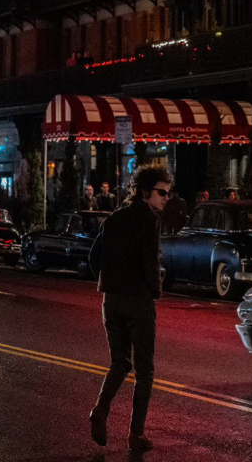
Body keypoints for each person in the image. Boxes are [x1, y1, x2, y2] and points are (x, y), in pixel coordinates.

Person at [87, 164, 172, 453]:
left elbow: (93, 257)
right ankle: (136, 435)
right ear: (146, 192)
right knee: (145, 370)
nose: (166, 199)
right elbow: (150, 262)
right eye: (162, 193)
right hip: (138, 302)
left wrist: (109, 280)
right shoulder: (149, 220)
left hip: (111, 300)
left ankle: (100, 410)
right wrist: (155, 291)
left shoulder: (113, 219)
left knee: (121, 362)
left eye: (168, 194)